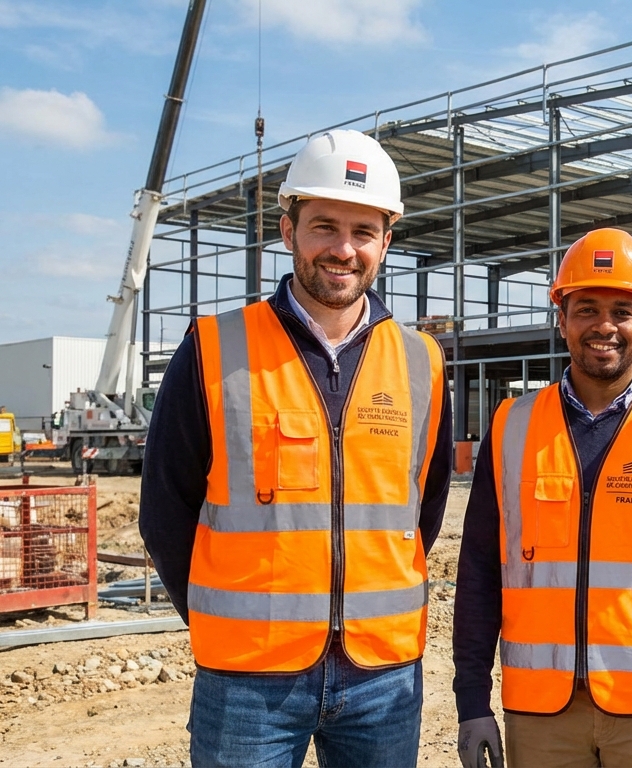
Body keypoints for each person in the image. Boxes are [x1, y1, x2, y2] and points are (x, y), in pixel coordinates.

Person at [139, 129, 453, 767]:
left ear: (386, 242)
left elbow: (424, 509)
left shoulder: (422, 362)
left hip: (383, 674)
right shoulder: (214, 350)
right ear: (288, 231)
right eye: (324, 226)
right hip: (247, 679)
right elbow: (164, 511)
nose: (343, 249)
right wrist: (224, 619)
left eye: (364, 231)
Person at [452, 228, 632, 768]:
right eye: (586, 308)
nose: (604, 326)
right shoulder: (511, 426)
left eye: (622, 310)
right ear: (562, 317)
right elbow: (478, 574)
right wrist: (471, 700)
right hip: (540, 715)